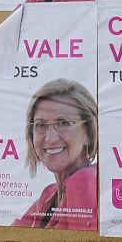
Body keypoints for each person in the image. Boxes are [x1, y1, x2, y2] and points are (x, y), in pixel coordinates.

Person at [13, 79, 97, 230]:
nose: (50, 138)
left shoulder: (84, 181)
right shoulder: (49, 194)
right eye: (40, 125)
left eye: (63, 123)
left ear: (89, 133)